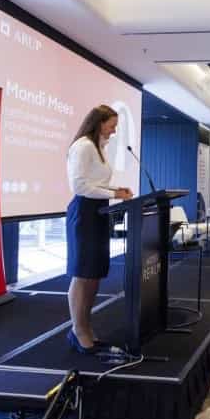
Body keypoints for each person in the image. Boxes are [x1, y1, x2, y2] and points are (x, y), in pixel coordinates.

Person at [65, 106, 133, 354]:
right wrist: (115, 194)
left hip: (99, 211)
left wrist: (116, 190)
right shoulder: (83, 146)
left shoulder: (98, 147)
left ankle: (84, 326)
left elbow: (96, 183)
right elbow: (80, 186)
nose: (114, 131)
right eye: (112, 125)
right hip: (84, 212)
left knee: (93, 273)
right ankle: (78, 330)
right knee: (82, 273)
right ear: (99, 122)